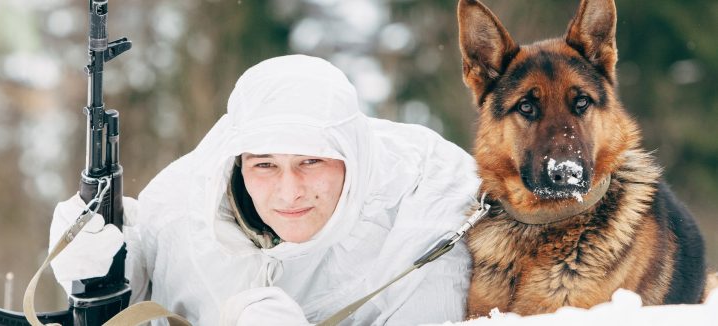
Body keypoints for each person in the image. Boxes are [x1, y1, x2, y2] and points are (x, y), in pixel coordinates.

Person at [49, 54, 480, 325]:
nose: (289, 192)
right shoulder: (183, 205)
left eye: (311, 162)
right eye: (265, 166)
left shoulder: (427, 201)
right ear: (238, 161)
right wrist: (106, 271)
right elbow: (149, 288)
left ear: (352, 155)